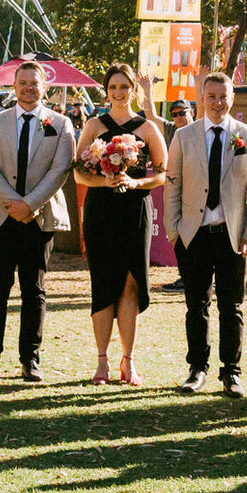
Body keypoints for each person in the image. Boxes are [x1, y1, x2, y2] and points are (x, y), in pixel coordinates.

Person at [0, 60, 74, 382]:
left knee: (34, 289)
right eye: (23, 82)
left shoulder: (61, 124)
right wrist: (11, 203)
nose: (29, 88)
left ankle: (30, 359)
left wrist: (30, 204)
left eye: (35, 83)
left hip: (39, 218)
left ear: (45, 86)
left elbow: (60, 170)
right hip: (1, 217)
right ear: (14, 86)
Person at [166, 70, 247, 397]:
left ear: (231, 98)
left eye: (224, 97)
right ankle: (197, 369)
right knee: (196, 305)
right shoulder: (184, 136)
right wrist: (173, 230)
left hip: (232, 236)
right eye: (212, 97)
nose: (218, 102)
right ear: (201, 99)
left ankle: (231, 372)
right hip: (193, 234)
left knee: (232, 307)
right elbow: (172, 184)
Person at [74, 63, 168, 386]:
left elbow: (163, 172)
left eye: (124, 87)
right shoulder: (94, 125)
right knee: (102, 285)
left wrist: (136, 183)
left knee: (130, 283)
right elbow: (77, 171)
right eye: (113, 87)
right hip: (100, 211)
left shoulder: (147, 128)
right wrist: (103, 183)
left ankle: (129, 361)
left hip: (135, 211)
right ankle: (102, 362)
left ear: (133, 90)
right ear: (106, 90)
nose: (119, 93)